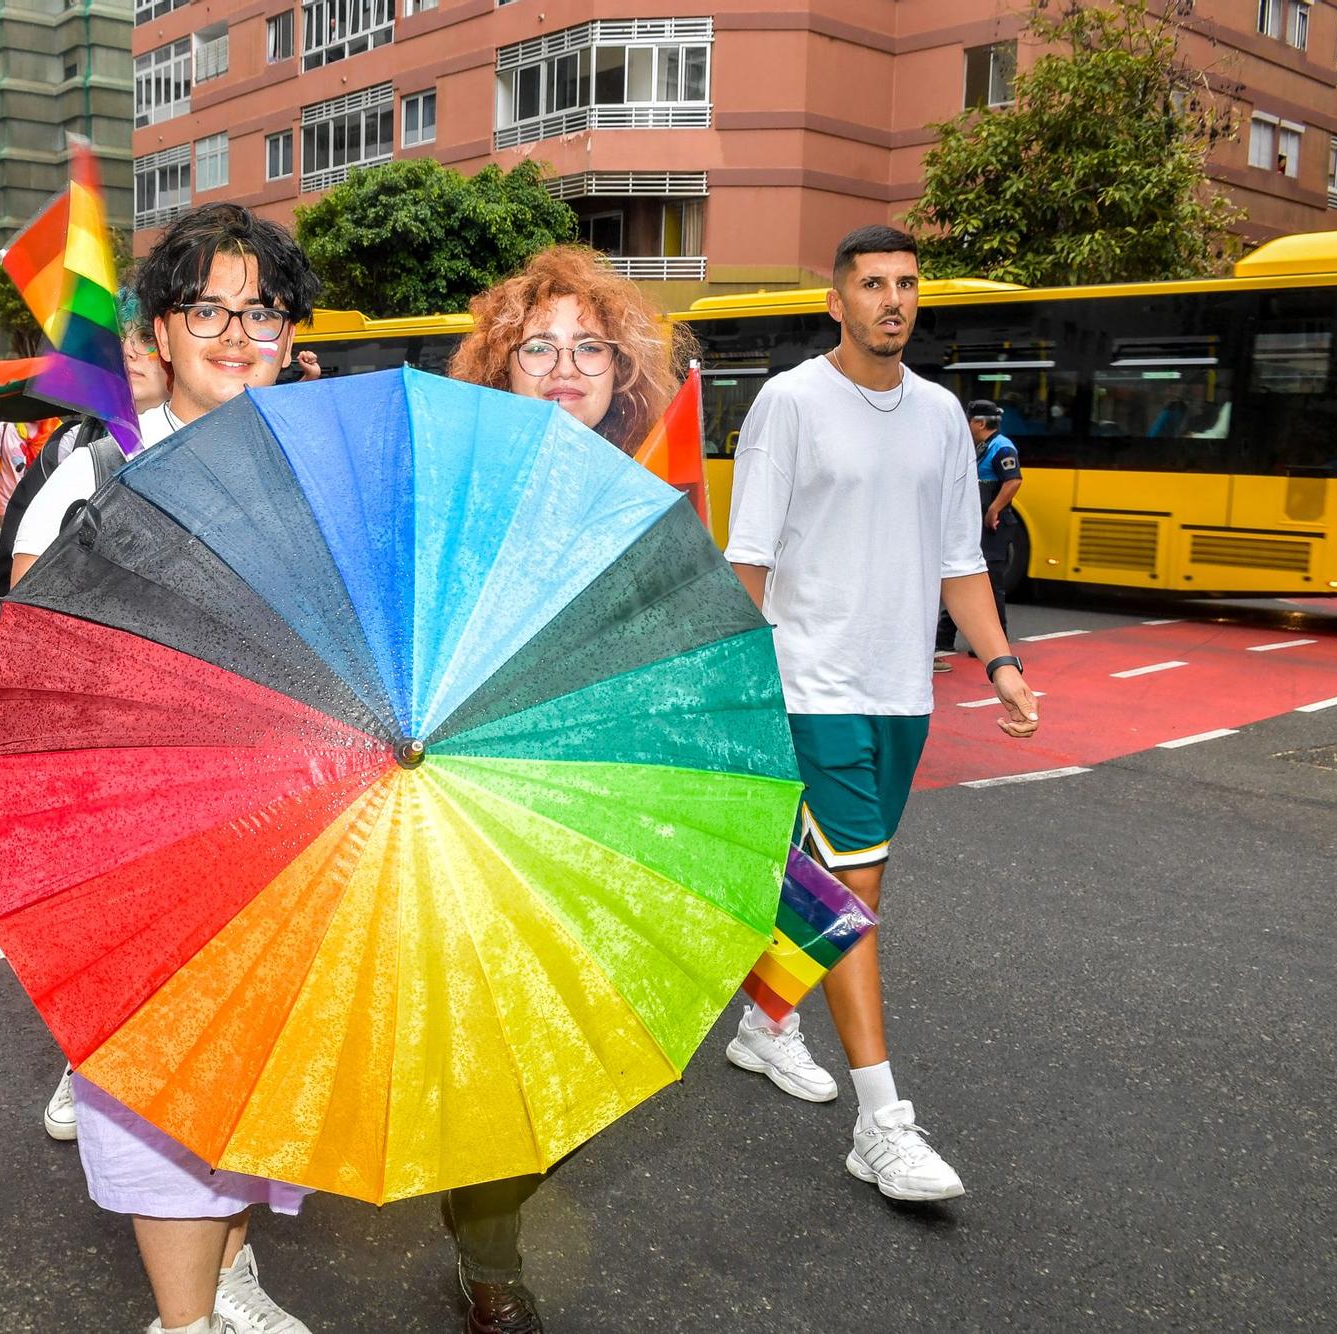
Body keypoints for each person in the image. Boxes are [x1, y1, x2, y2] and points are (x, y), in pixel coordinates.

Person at [9, 203, 322, 1334]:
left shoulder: (319, 466)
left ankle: (231, 1268)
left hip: (294, 818)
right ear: (158, 328)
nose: (237, 335)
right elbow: (33, 669)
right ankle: (181, 1319)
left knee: (263, 1066)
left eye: (264, 312)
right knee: (166, 1077)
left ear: (292, 332)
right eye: (209, 310)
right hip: (143, 827)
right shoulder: (98, 469)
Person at [722, 225, 1040, 1202]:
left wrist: (998, 660)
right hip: (810, 682)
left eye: (904, 283)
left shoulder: (943, 416)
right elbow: (748, 559)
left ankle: (763, 1019)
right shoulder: (790, 402)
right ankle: (881, 1122)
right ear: (837, 300)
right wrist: (736, 689)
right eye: (870, 284)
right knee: (852, 900)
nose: (890, 299)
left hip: (901, 689)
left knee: (848, 892)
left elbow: (959, 559)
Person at [436, 243, 689, 1334]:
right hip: (470, 796)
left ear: (619, 369)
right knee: (492, 1029)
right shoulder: (456, 488)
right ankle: (489, 1254)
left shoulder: (644, 498)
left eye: (589, 345)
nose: (565, 365)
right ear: (501, 368)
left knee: (590, 1052)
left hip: (593, 802)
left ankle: (482, 1190)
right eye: (537, 345)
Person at [934, 399, 1022, 668]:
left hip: (993, 527)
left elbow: (1013, 481)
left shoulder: (1001, 446)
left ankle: (998, 643)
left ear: (980, 423)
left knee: (991, 584)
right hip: (977, 523)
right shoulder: (979, 446)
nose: (966, 424)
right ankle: (945, 637)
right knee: (960, 576)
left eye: (969, 420)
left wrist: (994, 510)